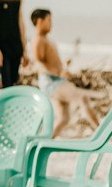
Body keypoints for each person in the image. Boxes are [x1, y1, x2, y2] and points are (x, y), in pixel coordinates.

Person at [30, 8, 99, 137]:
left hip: (57, 81)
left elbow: (49, 61)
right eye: (49, 20)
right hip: (52, 82)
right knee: (82, 97)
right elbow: (39, 63)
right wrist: (58, 73)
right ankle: (101, 132)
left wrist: (62, 67)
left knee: (64, 118)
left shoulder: (45, 39)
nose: (51, 23)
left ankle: (48, 141)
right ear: (40, 21)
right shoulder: (38, 40)